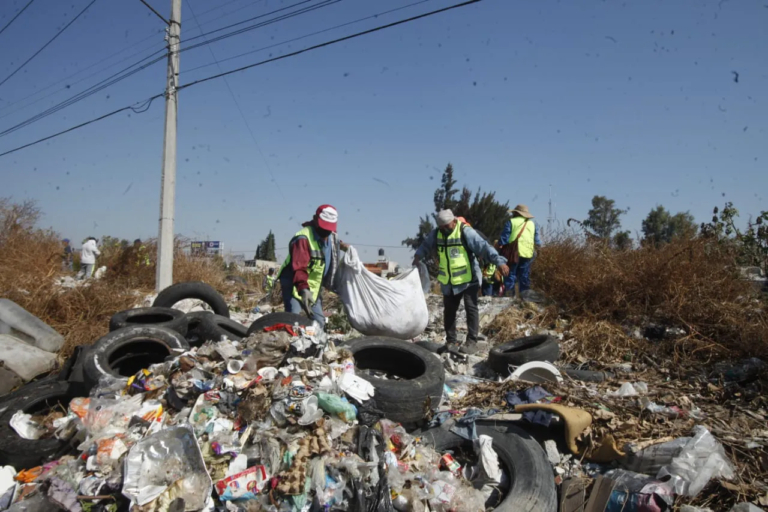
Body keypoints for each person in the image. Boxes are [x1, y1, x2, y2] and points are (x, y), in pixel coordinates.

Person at [413, 209, 509, 354]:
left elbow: (484, 247)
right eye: (442, 227)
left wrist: (499, 262)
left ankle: (471, 341)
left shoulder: (465, 232)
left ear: (454, 221)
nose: (445, 229)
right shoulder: (436, 234)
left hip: (469, 279)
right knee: (449, 311)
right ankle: (451, 341)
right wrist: (417, 256)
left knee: (471, 308)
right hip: (449, 281)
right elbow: (425, 245)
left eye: (447, 225)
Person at [277, 205, 347, 328]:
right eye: (324, 227)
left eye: (329, 229)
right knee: (294, 321)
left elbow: (336, 245)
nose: (326, 232)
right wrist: (303, 288)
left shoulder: (331, 238)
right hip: (294, 281)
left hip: (313, 285)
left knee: (318, 323)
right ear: (315, 219)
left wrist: (348, 249)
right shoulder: (303, 238)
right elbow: (299, 267)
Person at [498, 204, 541, 296]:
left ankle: (510, 295)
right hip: (528, 253)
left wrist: (500, 247)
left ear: (516, 213)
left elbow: (504, 238)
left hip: (513, 252)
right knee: (524, 275)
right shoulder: (533, 224)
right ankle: (525, 295)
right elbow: (537, 240)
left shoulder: (511, 222)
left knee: (511, 273)